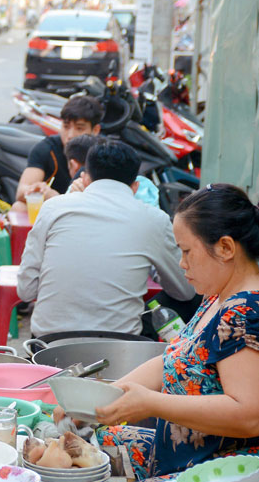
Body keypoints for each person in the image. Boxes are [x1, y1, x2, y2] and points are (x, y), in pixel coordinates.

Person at [92, 184, 259, 482]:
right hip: (186, 456)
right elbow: (175, 361)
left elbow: (253, 415)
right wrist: (97, 399)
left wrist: (150, 403)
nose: (181, 264)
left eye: (187, 252)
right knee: (90, 439)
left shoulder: (249, 312)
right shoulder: (219, 295)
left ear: (226, 248)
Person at [17, 141, 194, 337]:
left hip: (47, 343)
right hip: (121, 348)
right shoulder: (154, 219)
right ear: (135, 187)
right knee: (195, 298)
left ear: (84, 180)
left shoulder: (53, 208)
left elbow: (26, 291)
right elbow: (185, 291)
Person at [15, 94, 103, 204]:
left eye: (79, 128)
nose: (70, 135)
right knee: (18, 206)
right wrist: (36, 190)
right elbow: (21, 192)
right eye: (66, 127)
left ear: (95, 130)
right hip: (52, 211)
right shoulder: (46, 149)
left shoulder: (103, 154)